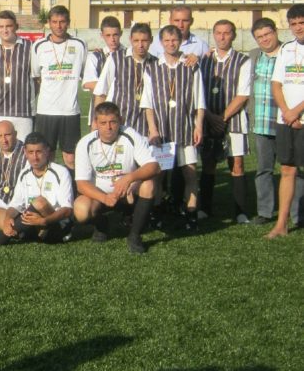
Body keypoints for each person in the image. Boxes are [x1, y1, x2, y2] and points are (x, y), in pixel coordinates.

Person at [73, 102, 160, 254]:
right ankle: (102, 224)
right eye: (103, 123)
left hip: (128, 191)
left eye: (113, 122)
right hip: (100, 195)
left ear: (120, 119)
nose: (109, 127)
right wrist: (105, 198)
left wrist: (129, 178)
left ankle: (134, 236)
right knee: (81, 211)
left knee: (149, 185)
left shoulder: (131, 135)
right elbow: (81, 184)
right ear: (95, 123)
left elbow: (153, 166)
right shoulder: (85, 143)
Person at [141, 25, 205, 230]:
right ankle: (157, 214)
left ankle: (191, 215)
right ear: (161, 43)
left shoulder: (191, 66)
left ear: (180, 41)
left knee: (190, 173)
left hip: (185, 129)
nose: (171, 44)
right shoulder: (152, 68)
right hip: (163, 132)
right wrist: (153, 130)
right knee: (159, 174)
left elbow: (200, 101)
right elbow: (148, 103)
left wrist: (199, 126)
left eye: (174, 40)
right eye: (167, 41)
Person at [250, 18, 303, 226]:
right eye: (259, 37)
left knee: (293, 168)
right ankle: (265, 211)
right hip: (263, 122)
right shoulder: (253, 56)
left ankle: (296, 213)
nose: (264, 39)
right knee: (264, 169)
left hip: (288, 120)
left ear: (276, 32)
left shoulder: (287, 52)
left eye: (267, 34)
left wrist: (292, 113)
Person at [198, 20, 252, 224]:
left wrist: (222, 118)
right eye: (218, 33)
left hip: (234, 120)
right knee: (209, 162)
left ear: (233, 35)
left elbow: (243, 94)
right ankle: (204, 208)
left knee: (236, 164)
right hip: (209, 119)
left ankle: (240, 211)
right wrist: (211, 118)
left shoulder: (243, 60)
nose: (222, 37)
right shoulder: (204, 60)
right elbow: (198, 91)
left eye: (226, 33)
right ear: (213, 34)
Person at [31, 5, 87, 173]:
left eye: (62, 22)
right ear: (49, 23)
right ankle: (50, 193)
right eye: (54, 22)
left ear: (68, 23)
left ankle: (73, 192)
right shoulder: (38, 46)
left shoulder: (79, 45)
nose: (58, 26)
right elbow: (36, 75)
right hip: (46, 110)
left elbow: (84, 72)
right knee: (47, 155)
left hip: (70, 111)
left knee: (70, 157)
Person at [266, 4, 304, 239]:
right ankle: (281, 224)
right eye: (294, 24)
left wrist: (297, 112)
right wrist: (287, 112)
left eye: (302, 22)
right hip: (286, 120)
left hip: (298, 118)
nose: (299, 27)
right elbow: (276, 83)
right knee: (287, 169)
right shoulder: (286, 50)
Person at [93, 23, 158, 136]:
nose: (140, 45)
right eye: (136, 41)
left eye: (144, 40)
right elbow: (101, 93)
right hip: (118, 124)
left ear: (151, 40)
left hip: (145, 126)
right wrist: (95, 123)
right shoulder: (116, 58)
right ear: (130, 40)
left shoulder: (156, 63)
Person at [0, 10, 35, 141]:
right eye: (1, 26)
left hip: (23, 112)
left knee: (22, 154)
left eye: (9, 26)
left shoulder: (30, 47)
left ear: (16, 27)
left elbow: (38, 79)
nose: (5, 30)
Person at [82, 16, 124, 127]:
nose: (112, 39)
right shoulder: (96, 56)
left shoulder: (128, 55)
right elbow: (88, 83)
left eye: (115, 35)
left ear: (121, 33)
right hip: (101, 111)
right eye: (108, 35)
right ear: (102, 35)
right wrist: (119, 87)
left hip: (124, 111)